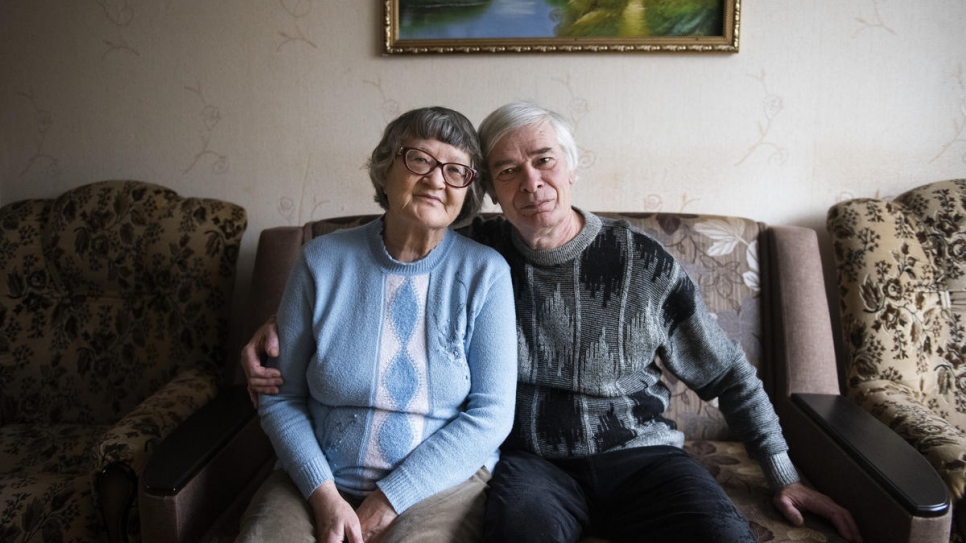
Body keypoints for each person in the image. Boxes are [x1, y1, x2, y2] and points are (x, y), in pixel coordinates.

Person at [242, 102, 862, 542]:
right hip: (533, 463)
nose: (530, 182)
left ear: (570, 167)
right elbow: (383, 265)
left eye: (543, 160)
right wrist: (284, 321)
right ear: (491, 192)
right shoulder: (482, 247)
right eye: (508, 170)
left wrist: (783, 472)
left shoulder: (638, 262)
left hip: (640, 457)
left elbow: (729, 374)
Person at [235, 106, 517, 543]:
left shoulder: (486, 273)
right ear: (386, 167)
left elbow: (492, 414)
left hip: (438, 487)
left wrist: (387, 501)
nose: (436, 179)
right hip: (317, 478)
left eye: (456, 170)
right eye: (420, 160)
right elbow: (280, 396)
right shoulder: (320, 261)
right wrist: (324, 497)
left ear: (469, 190)